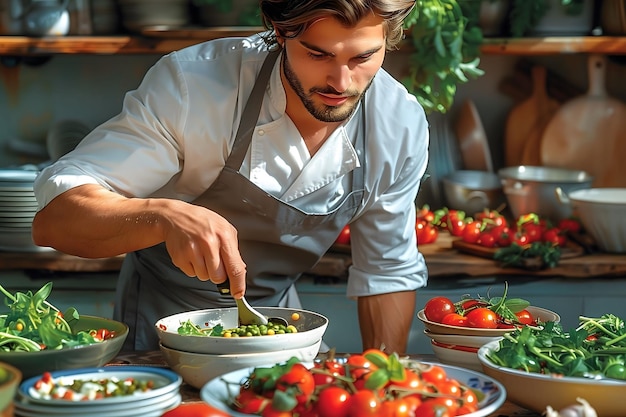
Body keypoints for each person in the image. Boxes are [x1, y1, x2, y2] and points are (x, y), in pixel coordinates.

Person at [32, 0, 429, 354]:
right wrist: (162, 216)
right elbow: (55, 220)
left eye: (363, 58)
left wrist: (387, 384)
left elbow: (386, 272)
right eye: (317, 54)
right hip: (163, 332)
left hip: (282, 331)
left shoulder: (397, 125)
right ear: (279, 32)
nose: (341, 83)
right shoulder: (196, 88)